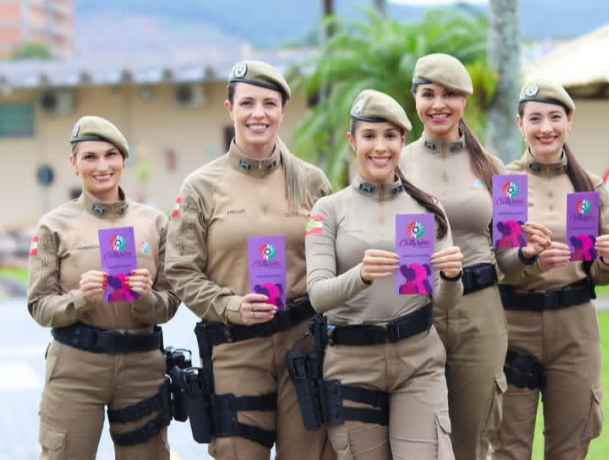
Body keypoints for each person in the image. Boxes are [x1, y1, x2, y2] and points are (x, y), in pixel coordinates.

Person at [165, 60, 334, 460]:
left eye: (269, 104)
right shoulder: (200, 187)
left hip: (303, 348)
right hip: (235, 348)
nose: (258, 114)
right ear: (230, 109)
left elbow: (334, 261)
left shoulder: (312, 182)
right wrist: (230, 306)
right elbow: (181, 270)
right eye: (247, 103)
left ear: (282, 111)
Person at [399, 53, 552, 460]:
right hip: (417, 306)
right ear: (415, 98)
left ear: (464, 99)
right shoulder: (396, 163)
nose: (438, 105)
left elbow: (507, 259)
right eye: (428, 94)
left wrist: (526, 253)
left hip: (480, 313)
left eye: (449, 94)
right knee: (418, 438)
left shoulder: (495, 167)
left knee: (472, 438)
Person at [305, 89, 465, 460]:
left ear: (403, 141)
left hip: (418, 360)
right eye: (369, 136)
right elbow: (318, 296)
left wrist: (452, 277)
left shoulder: (427, 208)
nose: (380, 147)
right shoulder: (328, 210)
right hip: (351, 364)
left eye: (390, 136)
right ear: (352, 141)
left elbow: (444, 302)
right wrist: (360, 275)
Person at [27, 115, 180, 460]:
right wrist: (80, 299)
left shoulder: (154, 223)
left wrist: (145, 298)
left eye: (111, 155)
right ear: (74, 163)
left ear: (123, 159)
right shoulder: (54, 225)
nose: (102, 166)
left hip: (142, 366)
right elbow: (39, 305)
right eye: (90, 157)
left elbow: (171, 301)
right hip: (76, 367)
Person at [492, 80, 609, 460]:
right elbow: (501, 265)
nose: (545, 128)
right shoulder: (508, 183)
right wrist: (530, 260)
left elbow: (600, 275)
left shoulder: (588, 185)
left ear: (569, 121)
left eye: (554, 117)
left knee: (570, 447)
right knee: (509, 449)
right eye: (535, 119)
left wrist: (608, 261)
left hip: (575, 331)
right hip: (515, 328)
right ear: (520, 124)